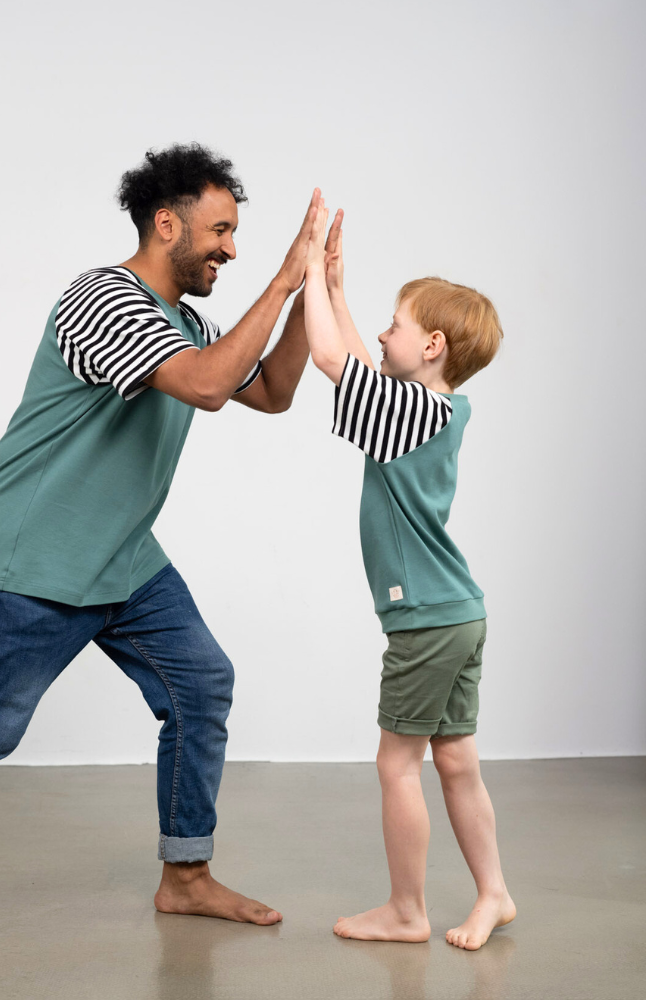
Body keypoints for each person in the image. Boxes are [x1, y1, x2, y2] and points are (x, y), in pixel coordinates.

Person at [0, 144, 320, 929]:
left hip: (124, 558)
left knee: (200, 684)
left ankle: (187, 874)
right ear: (166, 225)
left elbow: (269, 389)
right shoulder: (103, 299)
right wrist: (283, 279)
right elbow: (204, 386)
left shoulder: (186, 319)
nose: (232, 249)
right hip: (38, 557)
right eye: (221, 231)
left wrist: (311, 295)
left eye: (238, 235)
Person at [302, 199, 515, 950]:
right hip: (460, 612)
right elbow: (365, 365)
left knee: (399, 765)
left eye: (396, 323)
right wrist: (336, 287)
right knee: (456, 761)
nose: (384, 334)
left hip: (425, 619)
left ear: (430, 344)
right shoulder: (437, 407)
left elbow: (334, 363)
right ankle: (494, 893)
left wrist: (305, 279)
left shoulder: (409, 412)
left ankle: (406, 909)